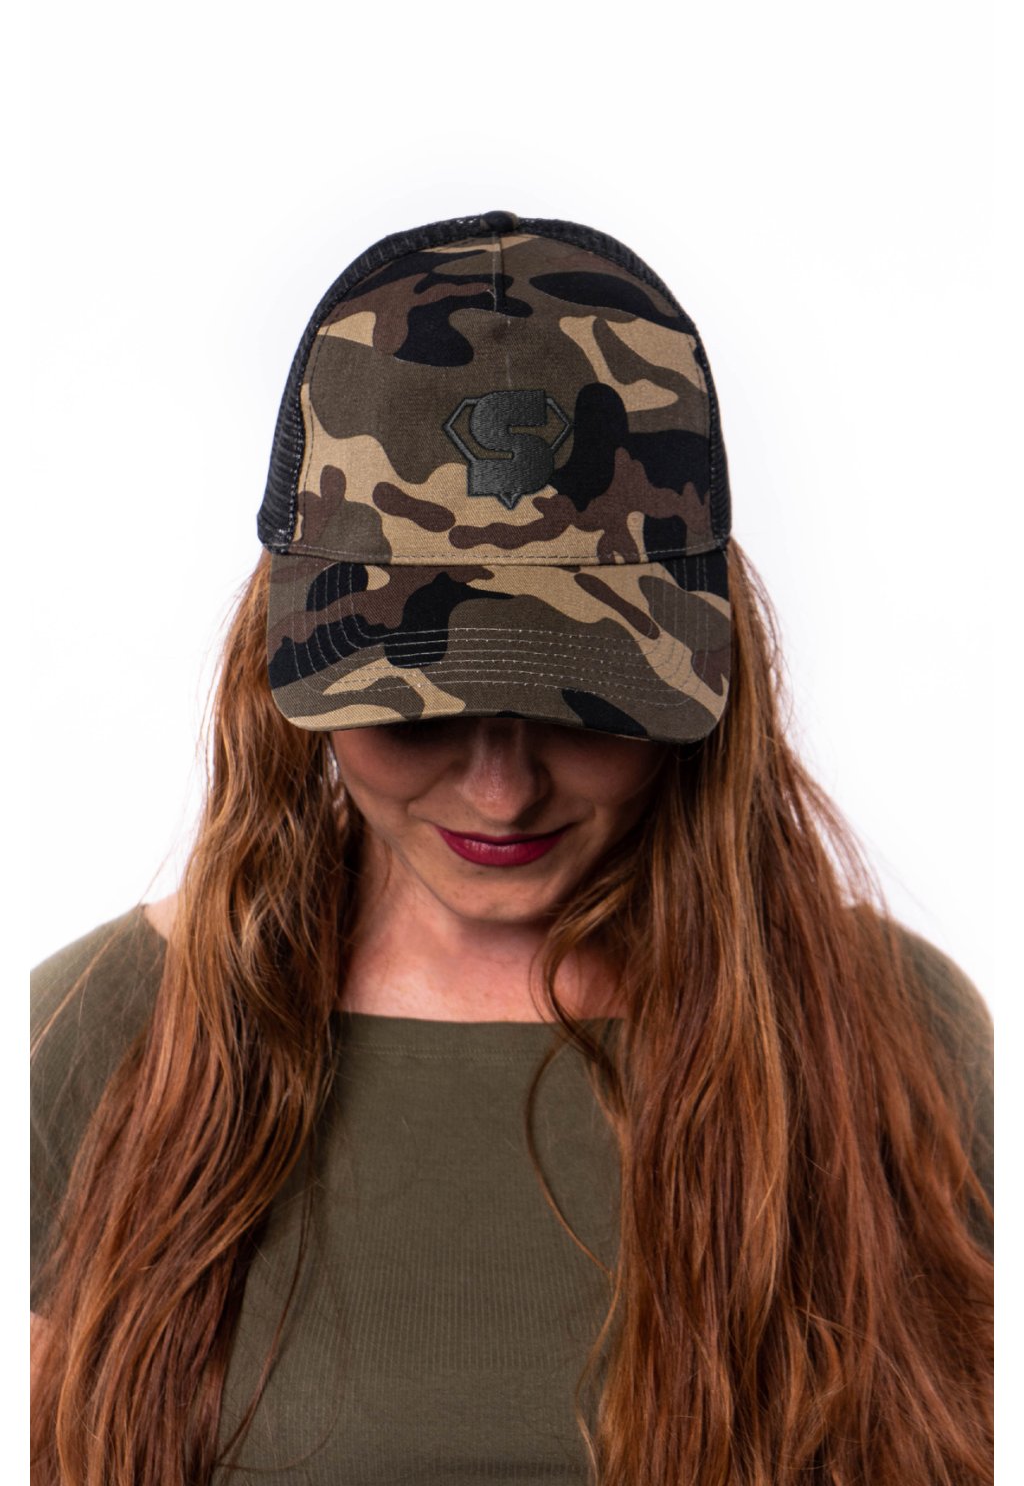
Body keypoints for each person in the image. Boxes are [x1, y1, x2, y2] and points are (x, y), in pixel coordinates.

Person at [30, 210, 994, 1486]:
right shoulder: (100, 1034)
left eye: (578, 706)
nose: (500, 789)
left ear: (708, 673)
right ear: (285, 664)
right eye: (416, 706)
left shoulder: (896, 1033)